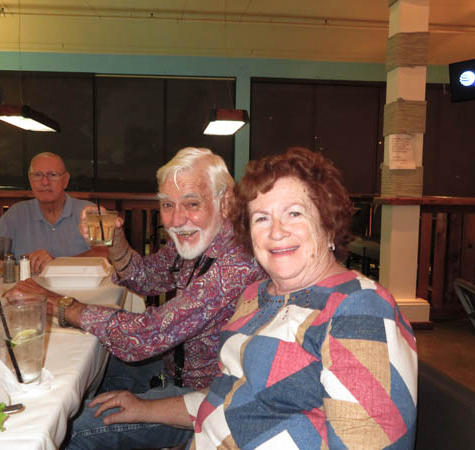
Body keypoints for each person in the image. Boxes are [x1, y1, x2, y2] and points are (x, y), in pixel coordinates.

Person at [89, 147, 418, 449]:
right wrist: (144, 409)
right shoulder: (257, 298)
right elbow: (228, 396)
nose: (276, 231)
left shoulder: (360, 310)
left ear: (328, 220)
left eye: (294, 213)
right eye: (262, 217)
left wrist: (67, 309)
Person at [5, 147, 265, 449]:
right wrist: (115, 241)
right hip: (170, 368)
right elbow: (146, 277)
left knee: (66, 428)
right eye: (167, 204)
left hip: (204, 401)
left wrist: (61, 305)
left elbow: (147, 335)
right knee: (74, 376)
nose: (177, 219)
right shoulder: (199, 238)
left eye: (192, 203)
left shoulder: (235, 263)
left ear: (226, 202)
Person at [0, 152, 94, 274]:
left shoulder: (87, 212)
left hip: (77, 286)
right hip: (27, 286)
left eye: (52, 175)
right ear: (30, 180)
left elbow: (103, 253)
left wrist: (56, 264)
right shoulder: (16, 214)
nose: (45, 182)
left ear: (65, 180)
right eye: (37, 175)